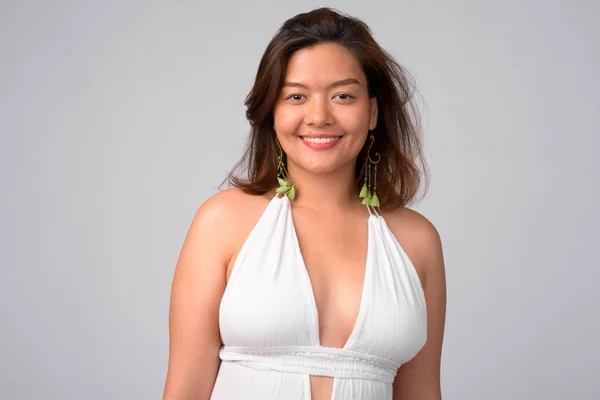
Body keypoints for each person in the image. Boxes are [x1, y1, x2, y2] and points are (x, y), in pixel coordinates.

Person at [163, 7, 446, 400]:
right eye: (296, 96)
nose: (318, 116)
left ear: (373, 111)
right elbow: (185, 389)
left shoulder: (417, 241)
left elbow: (422, 392)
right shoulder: (223, 222)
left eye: (343, 96)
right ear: (272, 111)